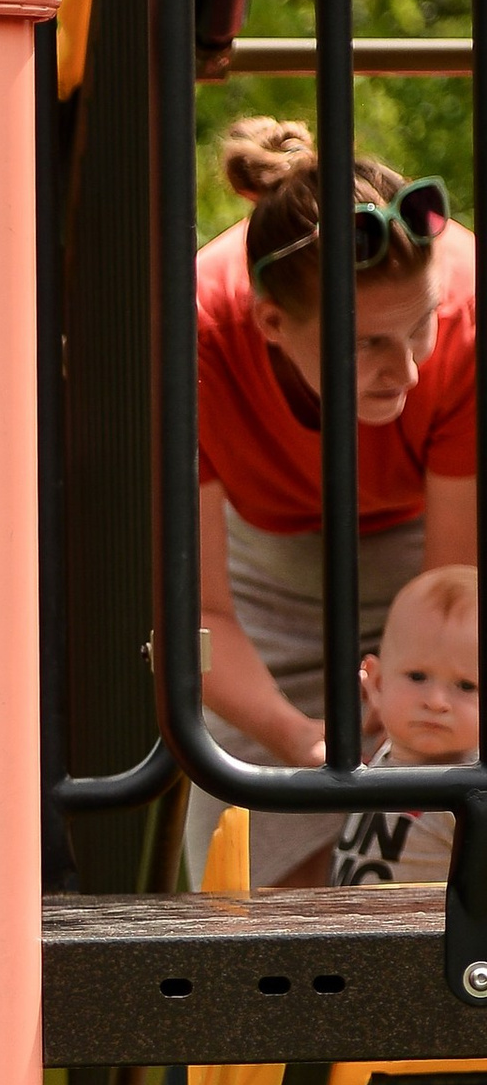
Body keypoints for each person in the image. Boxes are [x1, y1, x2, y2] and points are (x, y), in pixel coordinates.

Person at [193, 121, 478, 887]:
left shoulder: (468, 307)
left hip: (430, 556)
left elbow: (450, 598)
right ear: (273, 325)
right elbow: (199, 616)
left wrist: (416, 705)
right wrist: (304, 743)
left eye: (422, 325)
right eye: (366, 345)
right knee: (244, 878)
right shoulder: (197, 332)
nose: (408, 370)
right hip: (267, 564)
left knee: (440, 834)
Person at [332, 562, 479, 887]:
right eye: (417, 677)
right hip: (352, 933)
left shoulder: (475, 790)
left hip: (428, 937)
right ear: (377, 683)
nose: (437, 701)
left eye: (466, 686)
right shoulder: (376, 758)